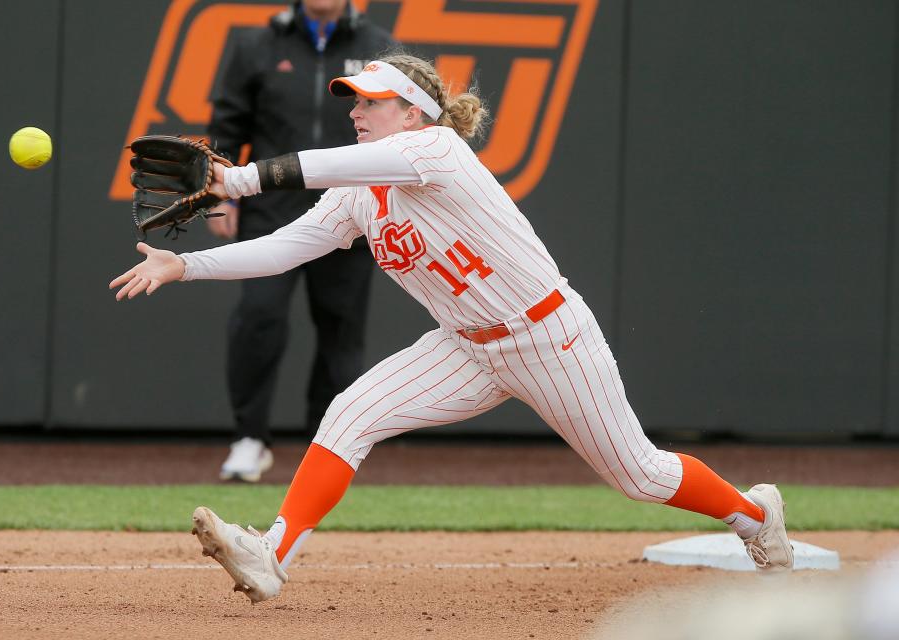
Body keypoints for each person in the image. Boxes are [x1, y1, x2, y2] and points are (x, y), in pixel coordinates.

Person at [110, 54, 794, 603]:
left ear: (415, 112)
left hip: (547, 338)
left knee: (640, 475)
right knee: (352, 411)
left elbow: (321, 167)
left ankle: (754, 516)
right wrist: (184, 265)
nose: (356, 110)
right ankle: (272, 556)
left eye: (372, 101)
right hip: (464, 347)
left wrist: (245, 181)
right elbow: (287, 248)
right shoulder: (360, 195)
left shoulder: (437, 150)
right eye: (355, 100)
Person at [206, 0, 395, 482]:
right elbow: (228, 123)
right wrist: (222, 198)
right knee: (259, 318)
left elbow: (397, 129)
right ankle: (249, 438)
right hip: (271, 207)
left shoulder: (377, 46)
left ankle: (326, 447)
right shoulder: (258, 44)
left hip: (352, 209)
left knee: (341, 334)